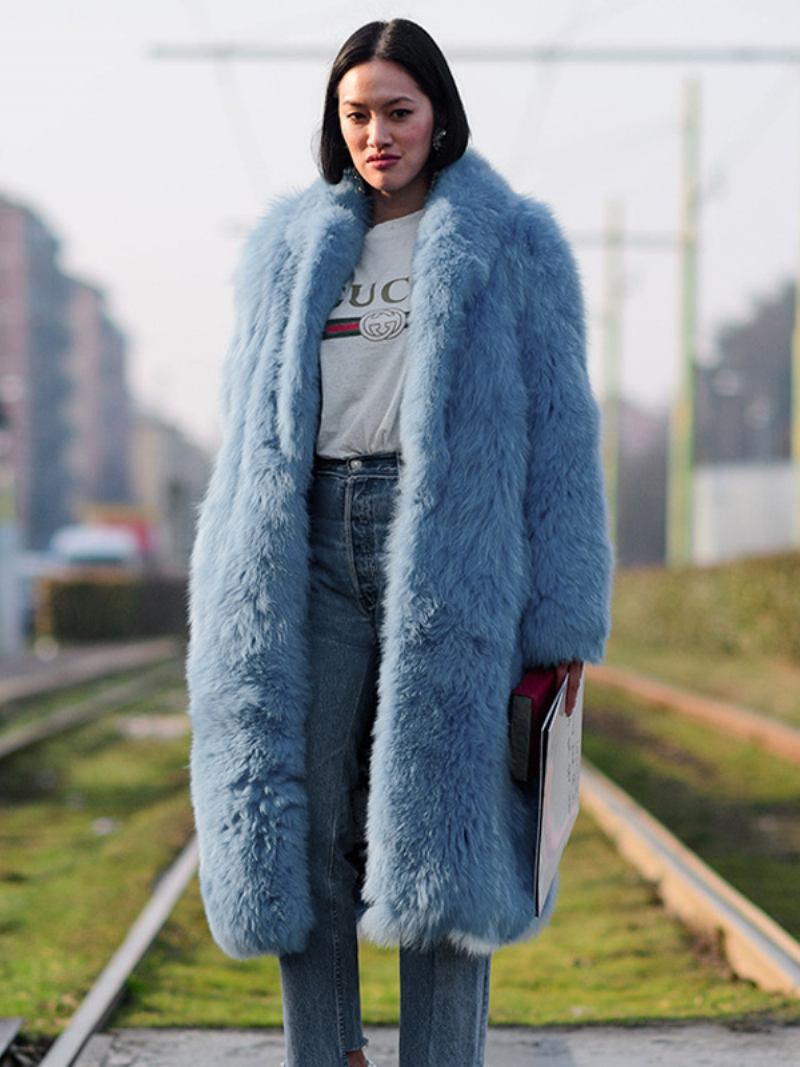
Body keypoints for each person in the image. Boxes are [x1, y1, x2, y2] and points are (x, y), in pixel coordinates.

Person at [185, 16, 614, 1067]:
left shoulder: (511, 242)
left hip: (452, 554)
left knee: (446, 838)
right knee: (305, 829)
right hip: (308, 552)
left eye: (397, 111)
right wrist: (224, 587)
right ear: (337, 123)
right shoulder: (286, 250)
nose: (377, 133)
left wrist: (561, 618)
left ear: (437, 116)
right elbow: (245, 433)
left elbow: (561, 431)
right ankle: (326, 1053)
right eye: (357, 114)